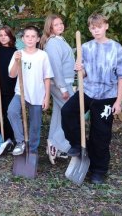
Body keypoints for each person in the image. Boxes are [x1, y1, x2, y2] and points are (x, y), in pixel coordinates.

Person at [61, 13, 122, 184]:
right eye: (93, 28)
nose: (96, 30)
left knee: (101, 135)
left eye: (99, 26)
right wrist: (80, 69)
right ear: (90, 29)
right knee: (67, 112)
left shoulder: (116, 48)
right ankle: (77, 144)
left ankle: (98, 170)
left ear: (106, 26)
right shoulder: (85, 47)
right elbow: (84, 74)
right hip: (88, 91)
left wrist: (118, 101)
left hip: (107, 96)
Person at [7, 26, 53, 155]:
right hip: (20, 92)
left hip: (38, 94)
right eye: (27, 36)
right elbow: (12, 74)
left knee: (35, 124)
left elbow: (47, 77)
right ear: (22, 39)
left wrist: (47, 97)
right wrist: (17, 61)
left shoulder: (43, 55)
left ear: (38, 39)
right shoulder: (18, 54)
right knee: (12, 111)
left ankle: (32, 150)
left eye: (33, 36)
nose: (30, 39)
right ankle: (21, 142)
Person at [40, 14, 75, 164]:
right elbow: (56, 68)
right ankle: (56, 142)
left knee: (59, 114)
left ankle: (55, 146)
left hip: (65, 83)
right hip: (60, 85)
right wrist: (63, 88)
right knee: (75, 113)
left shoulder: (60, 40)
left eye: (61, 23)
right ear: (50, 28)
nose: (60, 26)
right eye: (56, 25)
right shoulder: (53, 43)